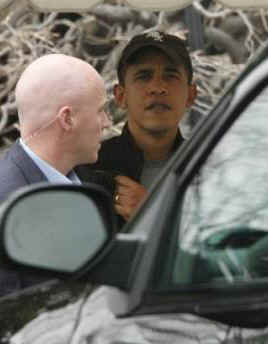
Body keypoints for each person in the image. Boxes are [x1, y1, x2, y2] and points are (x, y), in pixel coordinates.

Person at [0, 53, 111, 296]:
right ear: (67, 119)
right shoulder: (7, 203)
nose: (107, 123)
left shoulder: (89, 178)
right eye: (101, 110)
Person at [77, 31, 197, 228]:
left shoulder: (207, 168)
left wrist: (152, 212)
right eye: (143, 76)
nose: (157, 88)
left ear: (191, 95)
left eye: (170, 76)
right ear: (121, 96)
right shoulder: (89, 170)